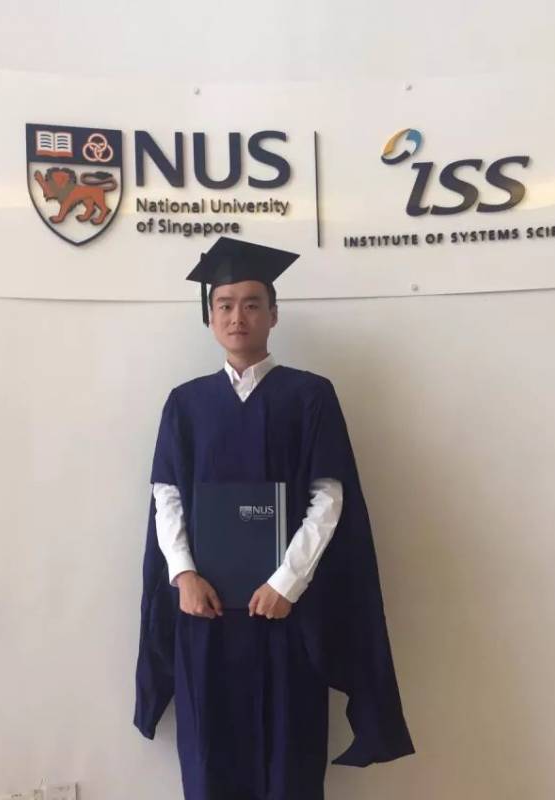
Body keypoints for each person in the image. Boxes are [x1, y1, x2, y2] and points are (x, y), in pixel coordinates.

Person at [134, 237, 415, 800]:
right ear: (210, 316)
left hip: (285, 612)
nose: (238, 316)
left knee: (290, 758)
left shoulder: (309, 396)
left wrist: (288, 581)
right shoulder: (186, 404)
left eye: (252, 304)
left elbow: (329, 497)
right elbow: (167, 496)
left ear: (273, 313)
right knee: (210, 758)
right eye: (225, 304)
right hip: (206, 612)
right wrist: (183, 575)